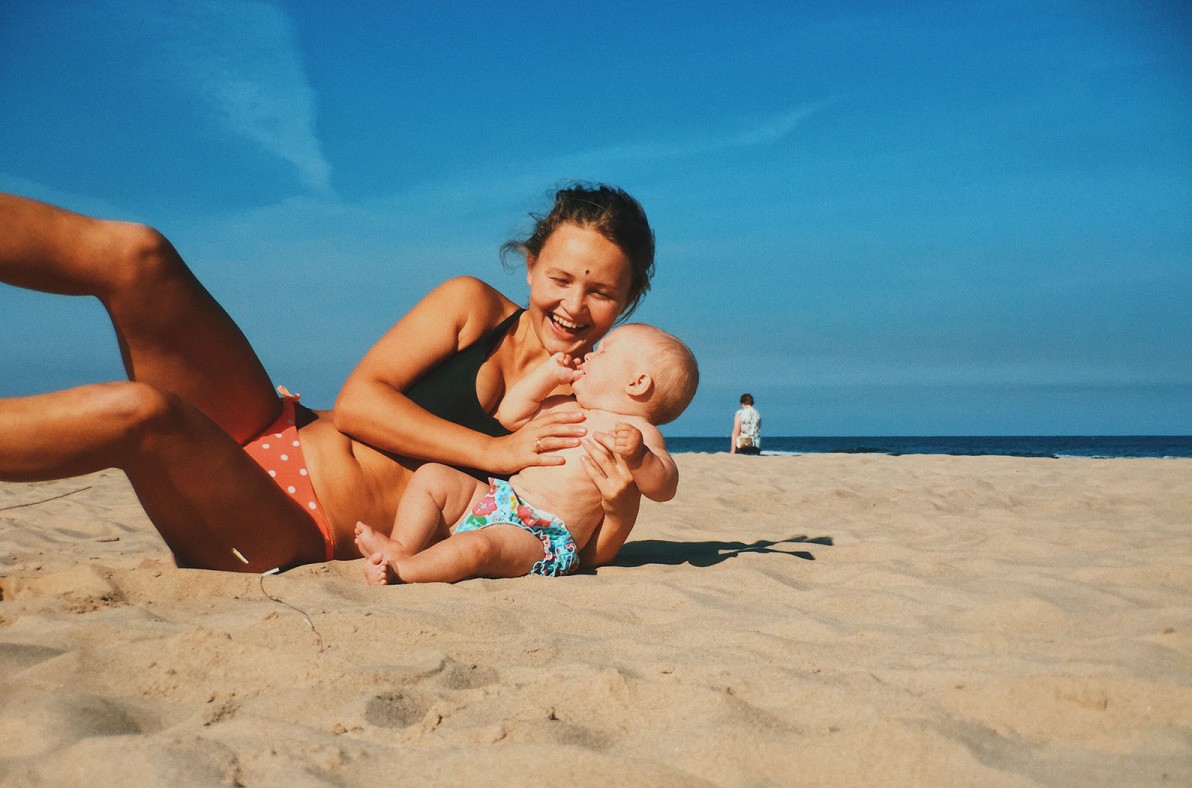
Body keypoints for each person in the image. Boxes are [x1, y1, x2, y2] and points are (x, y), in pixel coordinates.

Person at [0, 184, 657, 573]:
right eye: (562, 279)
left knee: (145, 413)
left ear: (625, 304)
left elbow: (567, 546)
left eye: (601, 294)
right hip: (274, 427)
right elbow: (361, 402)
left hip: (290, 524)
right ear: (531, 264)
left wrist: (622, 504)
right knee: (138, 256)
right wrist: (494, 450)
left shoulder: (592, 408)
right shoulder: (471, 307)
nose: (574, 306)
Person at [353, 324, 698, 584]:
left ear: (637, 383)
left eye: (604, 352)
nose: (590, 353)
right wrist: (548, 375)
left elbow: (664, 486)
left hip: (542, 535)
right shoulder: (566, 404)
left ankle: (403, 572)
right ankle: (401, 546)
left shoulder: (641, 434)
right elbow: (511, 414)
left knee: (480, 548)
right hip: (500, 498)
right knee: (432, 476)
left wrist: (641, 457)